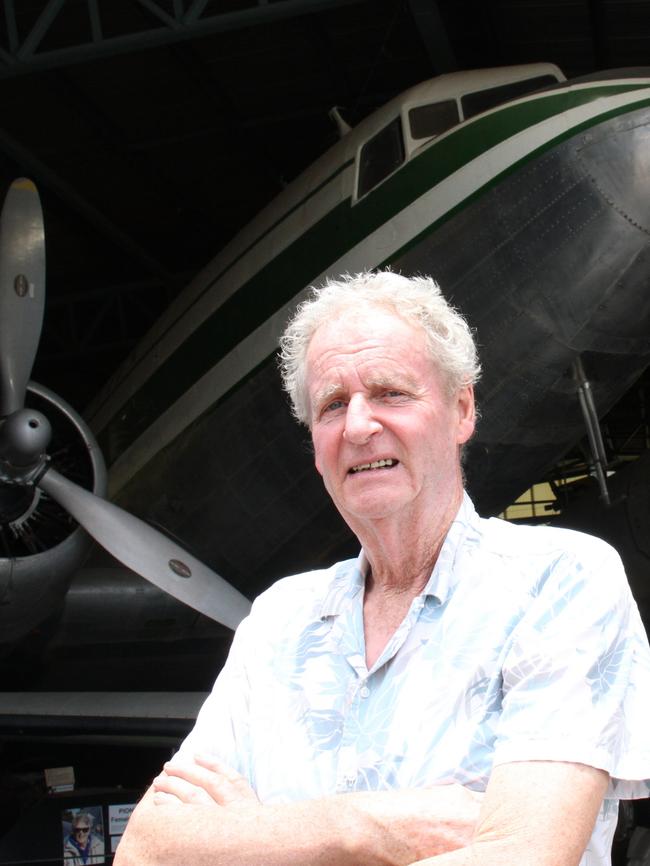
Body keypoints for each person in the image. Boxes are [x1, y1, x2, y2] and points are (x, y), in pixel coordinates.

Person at [116, 270, 650, 866]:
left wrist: (258, 836)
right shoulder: (277, 621)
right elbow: (145, 851)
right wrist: (360, 829)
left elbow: (525, 857)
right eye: (333, 405)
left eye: (392, 393)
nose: (360, 426)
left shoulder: (561, 581)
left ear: (461, 409)